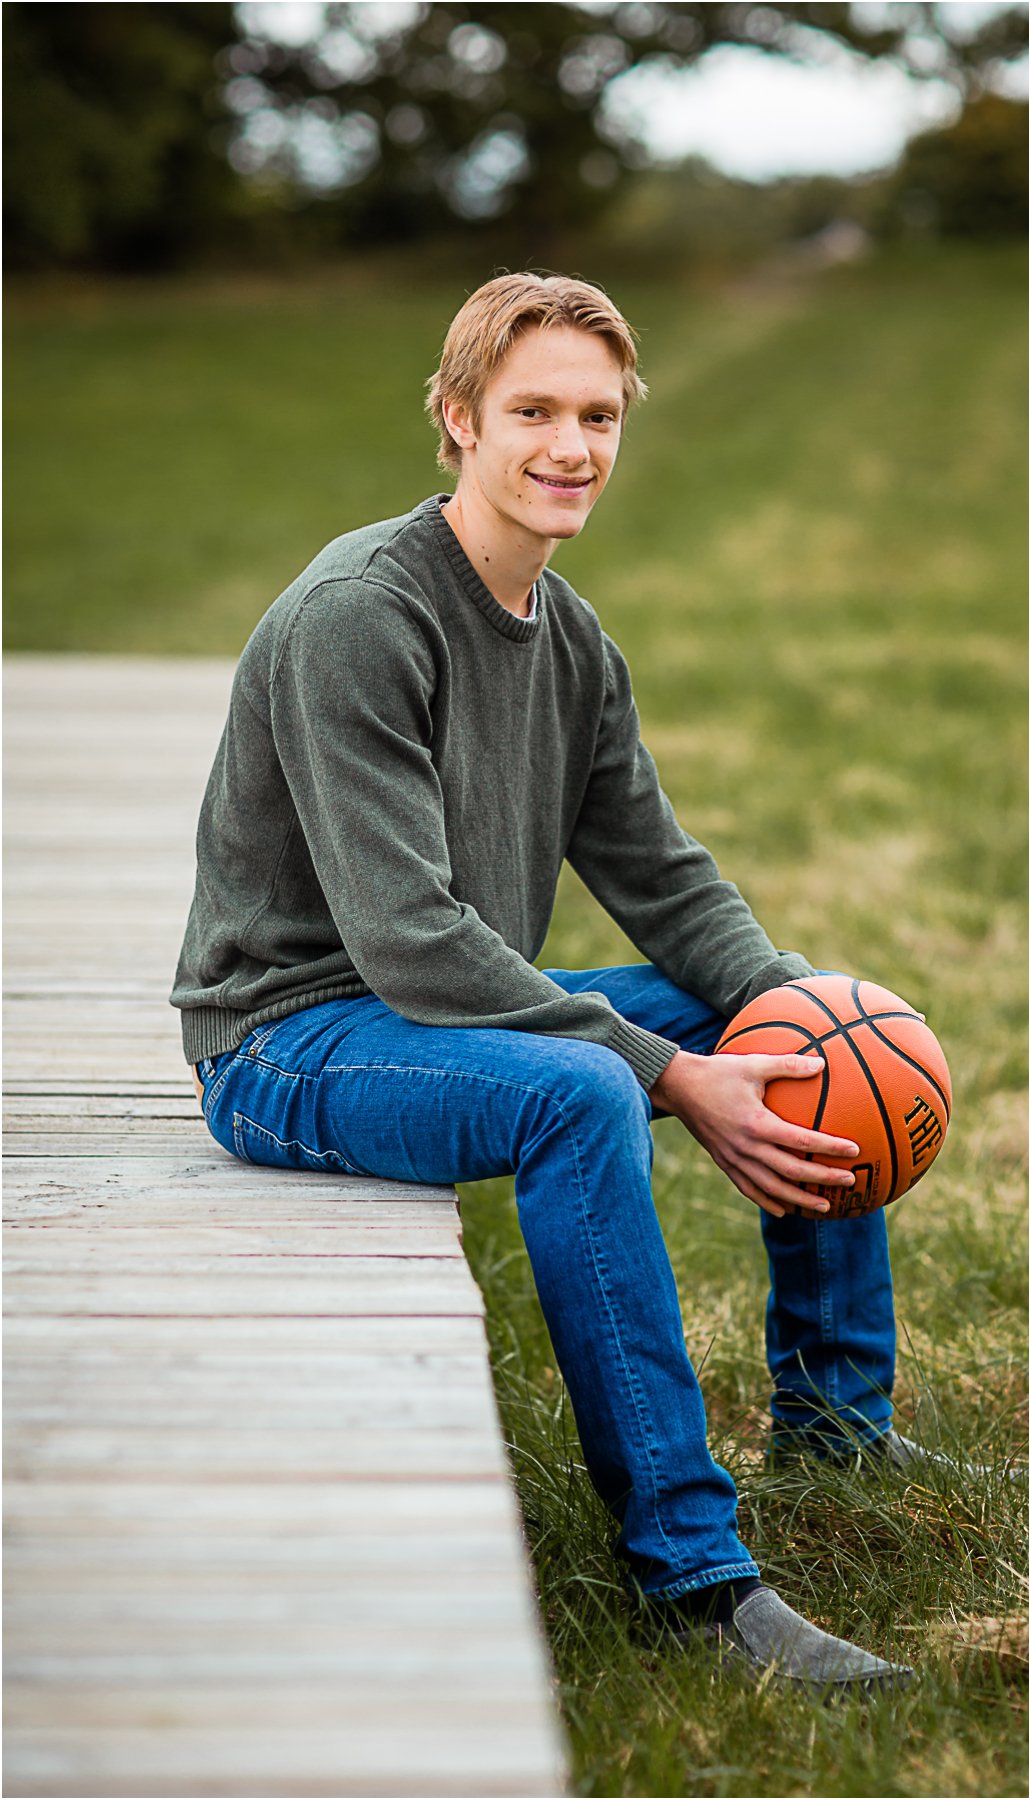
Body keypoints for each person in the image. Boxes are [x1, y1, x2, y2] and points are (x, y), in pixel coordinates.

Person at [173, 272, 922, 1692]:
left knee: (810, 1024)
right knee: (586, 1092)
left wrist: (796, 998)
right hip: (289, 1037)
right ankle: (696, 1580)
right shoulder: (362, 618)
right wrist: (668, 1078)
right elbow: (407, 942)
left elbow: (660, 870)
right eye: (533, 411)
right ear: (459, 422)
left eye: (595, 413)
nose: (569, 445)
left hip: (445, 1006)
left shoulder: (569, 637)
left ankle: (835, 1420)